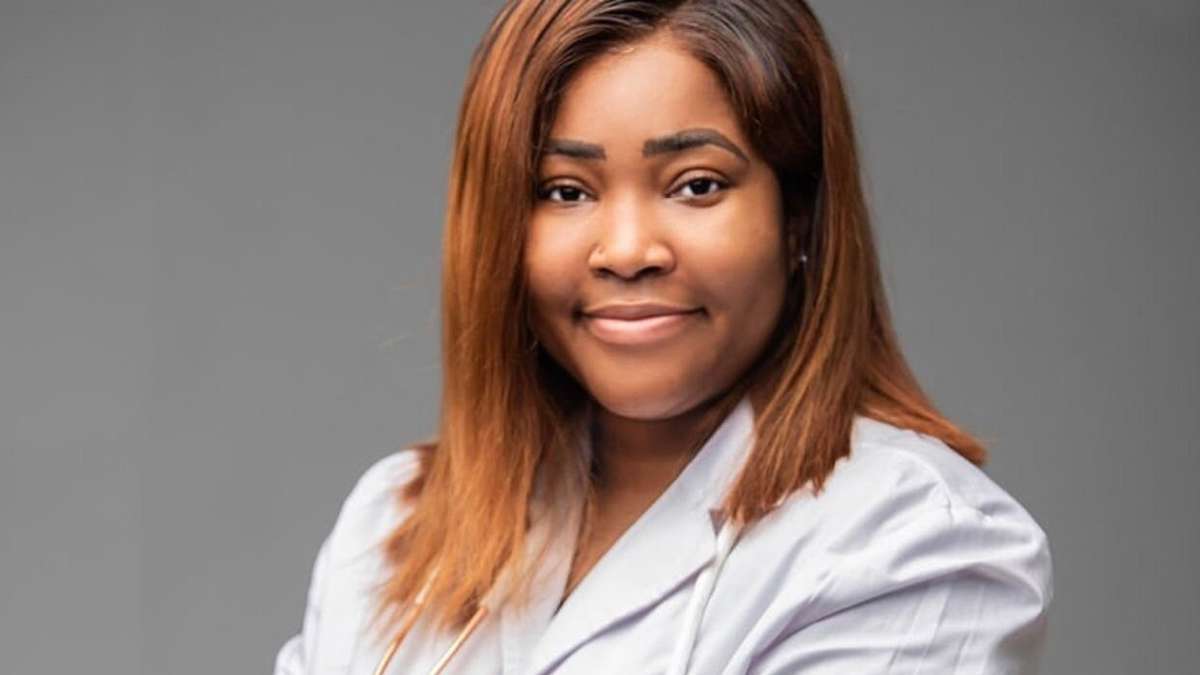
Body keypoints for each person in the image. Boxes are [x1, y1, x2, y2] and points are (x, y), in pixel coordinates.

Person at [274, 1, 1053, 673]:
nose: (625, 250)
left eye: (696, 185)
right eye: (565, 191)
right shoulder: (391, 524)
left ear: (798, 218)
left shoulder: (911, 543)